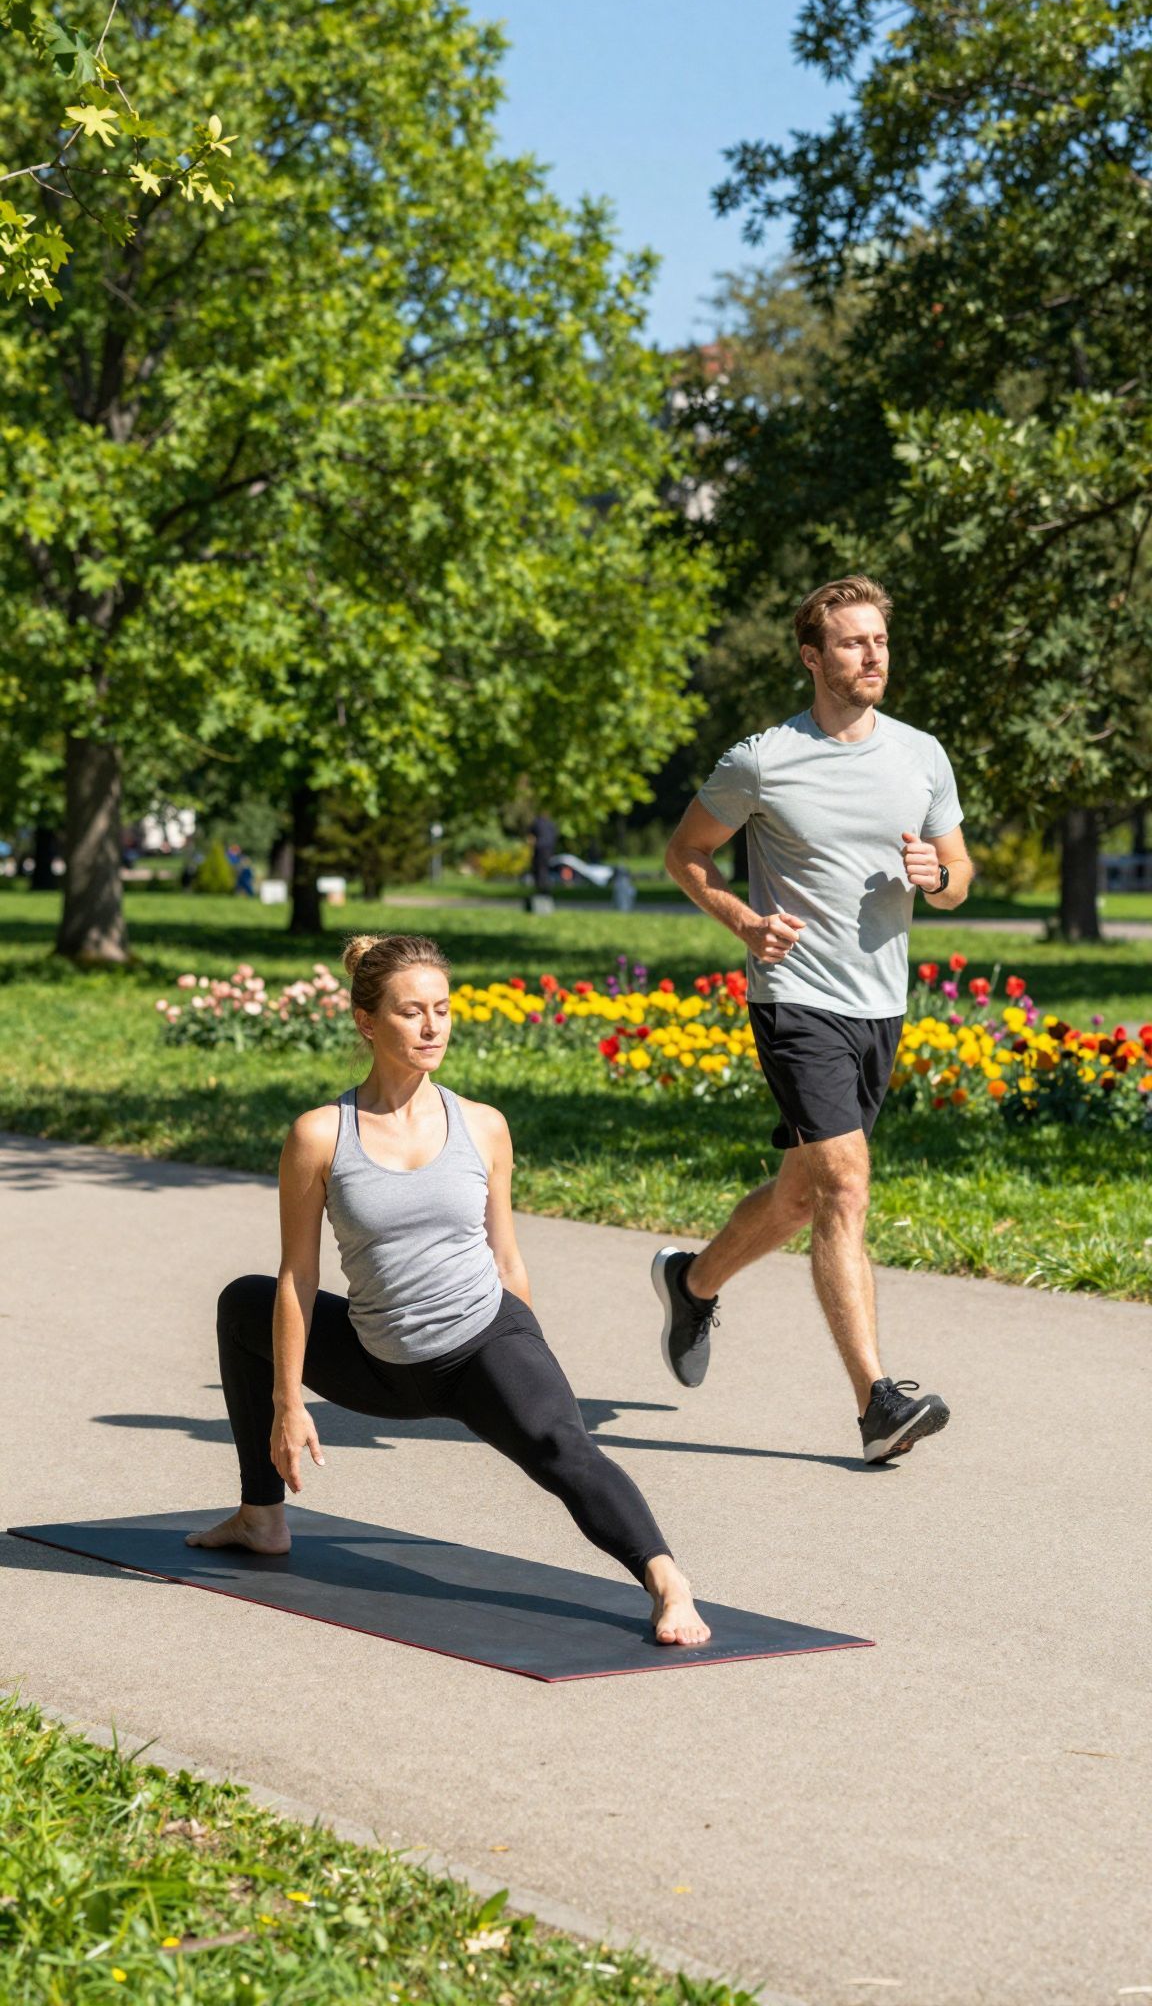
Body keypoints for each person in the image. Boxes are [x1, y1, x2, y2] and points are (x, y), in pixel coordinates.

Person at [188, 931, 710, 1646]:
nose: (432, 1027)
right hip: (377, 1360)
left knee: (563, 1447)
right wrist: (287, 1401)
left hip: (480, 1347)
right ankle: (261, 1516)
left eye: (442, 1009)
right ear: (366, 1021)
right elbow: (298, 1277)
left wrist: (530, 1364)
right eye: (411, 1012)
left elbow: (506, 1257)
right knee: (242, 1304)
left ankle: (668, 1581)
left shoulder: (483, 1126)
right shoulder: (320, 1136)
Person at [653, 575, 974, 1464]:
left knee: (800, 1195)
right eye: (852, 642)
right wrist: (744, 921)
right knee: (844, 1188)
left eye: (880, 640)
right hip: (795, 998)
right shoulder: (763, 759)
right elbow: (685, 853)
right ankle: (878, 1405)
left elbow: (959, 877)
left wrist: (937, 877)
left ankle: (693, 1282)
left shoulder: (922, 755)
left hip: (881, 1005)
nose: (873, 656)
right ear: (812, 656)